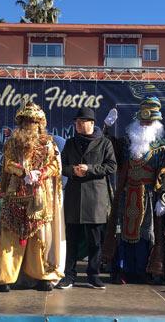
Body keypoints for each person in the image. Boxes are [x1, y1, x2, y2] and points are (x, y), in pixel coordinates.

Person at [0, 102, 65, 292]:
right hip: (16, 194)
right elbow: (7, 164)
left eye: (34, 121)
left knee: (39, 236)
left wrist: (41, 173)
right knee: (11, 234)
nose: (30, 125)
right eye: (26, 121)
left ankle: (41, 276)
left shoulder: (48, 143)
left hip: (40, 196)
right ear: (21, 123)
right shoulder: (12, 143)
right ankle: (3, 278)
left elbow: (56, 165)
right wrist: (23, 172)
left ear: (41, 123)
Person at [103, 97, 165, 284]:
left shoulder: (162, 146)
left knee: (147, 234)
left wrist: (163, 197)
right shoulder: (128, 142)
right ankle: (122, 271)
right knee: (122, 234)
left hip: (149, 196)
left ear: (156, 123)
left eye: (149, 121)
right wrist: (106, 128)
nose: (145, 124)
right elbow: (109, 149)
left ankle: (145, 270)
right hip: (127, 195)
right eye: (143, 120)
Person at [56, 107, 116, 290]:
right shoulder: (70, 143)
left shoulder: (104, 143)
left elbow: (111, 166)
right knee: (71, 239)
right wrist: (72, 170)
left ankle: (93, 275)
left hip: (95, 198)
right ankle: (69, 275)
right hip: (74, 196)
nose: (78, 125)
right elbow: (61, 166)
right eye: (76, 123)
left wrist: (89, 169)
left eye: (81, 122)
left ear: (91, 123)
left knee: (95, 241)